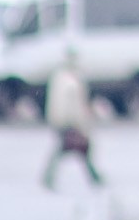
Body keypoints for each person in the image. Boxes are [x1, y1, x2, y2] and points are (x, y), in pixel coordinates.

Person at [41, 55, 102, 190]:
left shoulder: (58, 77)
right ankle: (95, 178)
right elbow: (72, 103)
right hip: (69, 121)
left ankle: (94, 177)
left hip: (61, 119)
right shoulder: (71, 79)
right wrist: (77, 122)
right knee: (78, 148)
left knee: (73, 149)